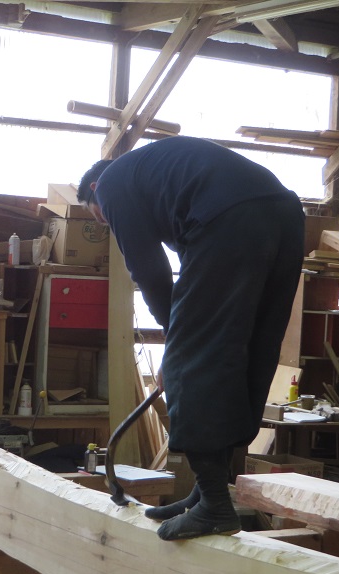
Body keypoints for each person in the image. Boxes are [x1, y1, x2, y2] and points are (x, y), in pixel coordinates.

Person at [77, 136, 305, 541]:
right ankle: (205, 493)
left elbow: (149, 270)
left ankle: (215, 504)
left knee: (194, 364)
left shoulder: (111, 184)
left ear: (95, 190)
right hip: (286, 214)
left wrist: (178, 341)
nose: (106, 223)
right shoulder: (159, 175)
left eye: (100, 217)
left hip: (230, 218)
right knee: (250, 348)